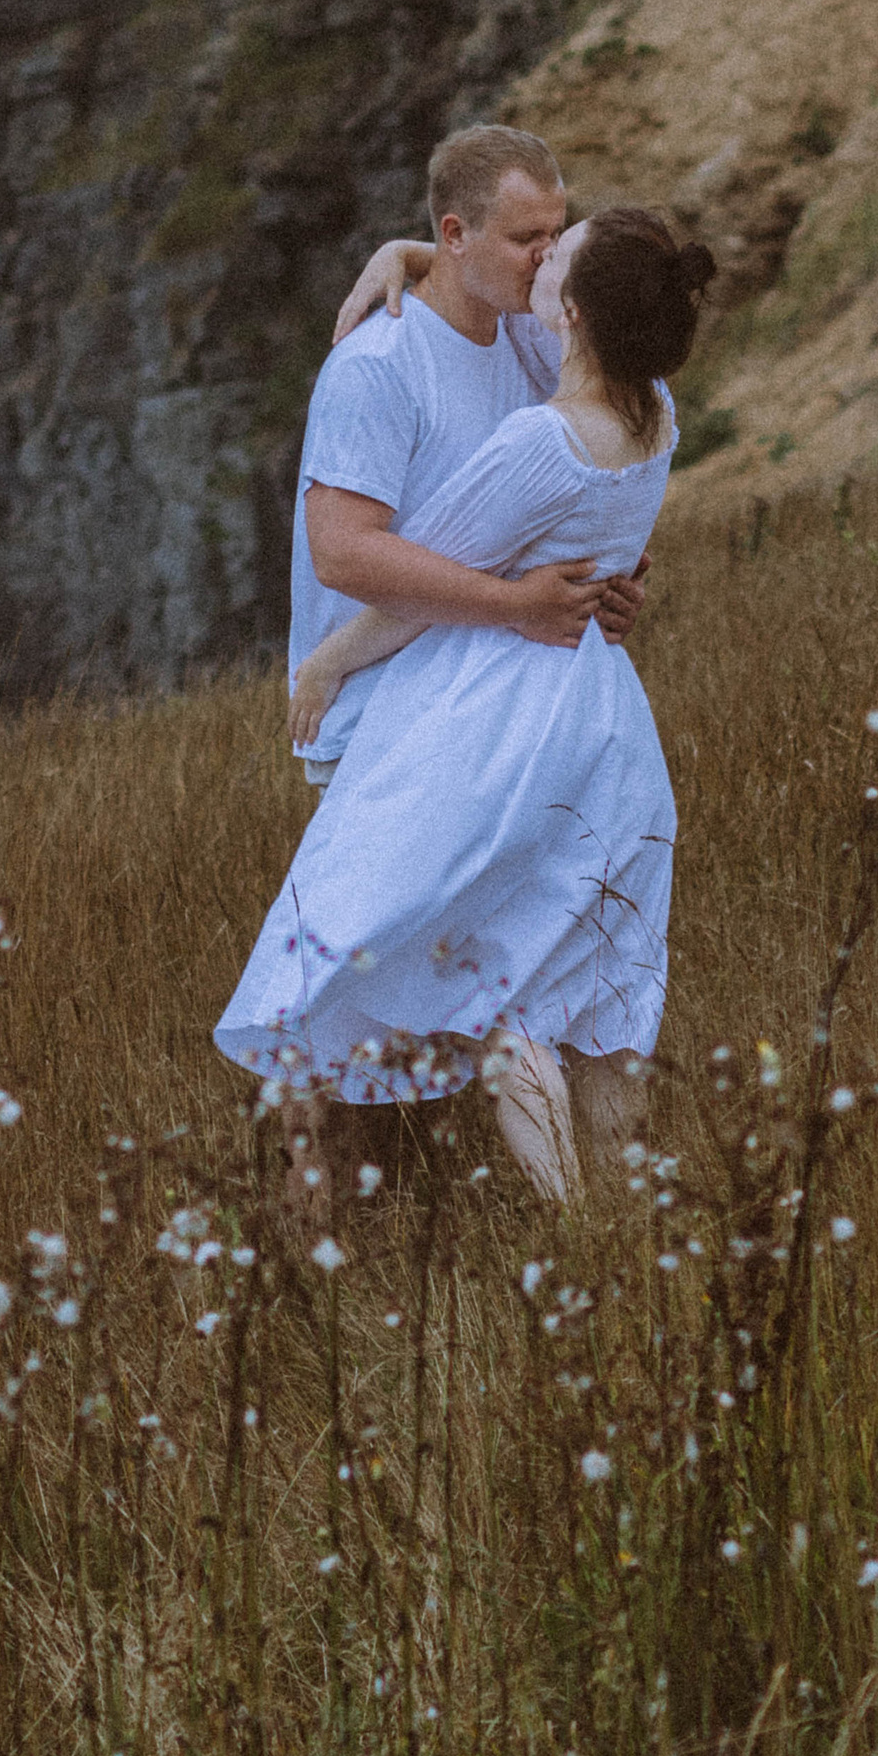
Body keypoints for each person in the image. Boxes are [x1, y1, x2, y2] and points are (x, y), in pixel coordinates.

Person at [215, 207, 714, 1202]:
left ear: (568, 310)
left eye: (555, 253)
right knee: (600, 1000)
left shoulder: (544, 439)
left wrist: (325, 665)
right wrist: (407, 251)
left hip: (505, 713)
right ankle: (624, 1237)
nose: (537, 252)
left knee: (501, 994)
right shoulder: (656, 412)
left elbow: (415, 576)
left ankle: (564, 1226)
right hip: (605, 714)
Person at [285, 125, 647, 800]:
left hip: (488, 707)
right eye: (524, 240)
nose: (547, 258)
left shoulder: (527, 333)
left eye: (555, 234)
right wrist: (515, 605)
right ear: (455, 235)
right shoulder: (378, 364)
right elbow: (341, 555)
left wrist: (605, 586)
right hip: (379, 727)